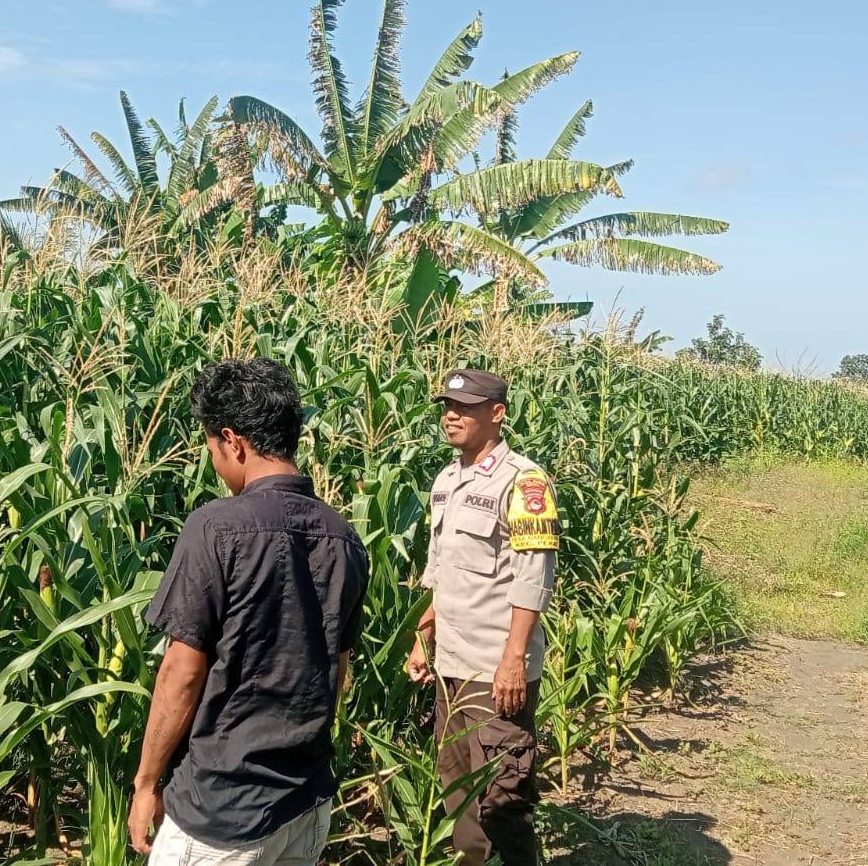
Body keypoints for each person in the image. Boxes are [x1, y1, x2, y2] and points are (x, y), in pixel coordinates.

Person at [129, 357, 370, 865]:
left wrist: (147, 782)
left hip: (224, 809)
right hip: (306, 802)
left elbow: (182, 673)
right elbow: (336, 672)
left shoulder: (215, 528)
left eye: (212, 450)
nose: (215, 465)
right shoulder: (345, 538)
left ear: (233, 441)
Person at [405, 368, 559, 866]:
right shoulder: (447, 480)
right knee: (458, 796)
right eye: (448, 407)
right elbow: (441, 574)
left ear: (497, 413)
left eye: (465, 408)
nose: (451, 416)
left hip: (494, 672)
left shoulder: (524, 481)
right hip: (451, 667)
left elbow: (532, 579)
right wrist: (423, 637)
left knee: (500, 799)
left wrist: (513, 660)